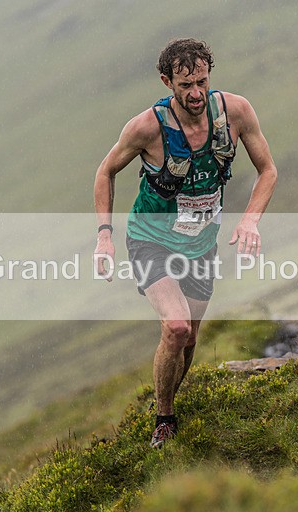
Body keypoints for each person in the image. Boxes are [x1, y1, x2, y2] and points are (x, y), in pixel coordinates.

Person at [93, 39, 277, 449]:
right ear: (166, 81)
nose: (195, 93)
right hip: (150, 239)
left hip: (201, 244)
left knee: (190, 338)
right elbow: (105, 172)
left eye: (202, 81)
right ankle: (164, 417)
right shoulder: (146, 128)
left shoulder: (236, 113)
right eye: (185, 84)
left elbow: (268, 170)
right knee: (175, 327)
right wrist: (104, 237)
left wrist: (250, 221)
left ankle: (171, 398)